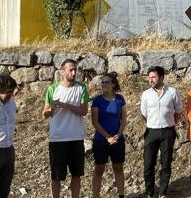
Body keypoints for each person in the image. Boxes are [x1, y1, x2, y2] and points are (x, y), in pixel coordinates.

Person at [42, 59, 89, 198]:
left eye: (75, 69)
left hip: (76, 137)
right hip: (57, 138)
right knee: (56, 176)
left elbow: (84, 111)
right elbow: (44, 113)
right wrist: (52, 108)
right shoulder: (52, 89)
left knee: (76, 174)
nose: (74, 72)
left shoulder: (81, 87)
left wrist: (65, 105)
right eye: (70, 69)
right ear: (62, 71)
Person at [140, 66, 183, 198]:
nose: (151, 80)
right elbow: (144, 114)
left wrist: (171, 123)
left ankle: (162, 193)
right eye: (150, 77)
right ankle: (149, 193)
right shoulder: (146, 94)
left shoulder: (172, 92)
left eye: (154, 77)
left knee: (166, 163)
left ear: (162, 77)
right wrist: (152, 122)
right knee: (148, 165)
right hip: (151, 131)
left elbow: (179, 111)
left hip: (167, 132)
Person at [91, 72, 127, 198]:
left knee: (118, 167)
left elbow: (124, 119)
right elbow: (95, 122)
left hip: (118, 140)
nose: (104, 84)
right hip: (101, 140)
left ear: (113, 84)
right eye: (102, 82)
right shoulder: (97, 100)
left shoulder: (120, 99)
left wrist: (118, 135)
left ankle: (121, 195)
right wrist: (108, 137)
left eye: (107, 82)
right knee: (99, 169)